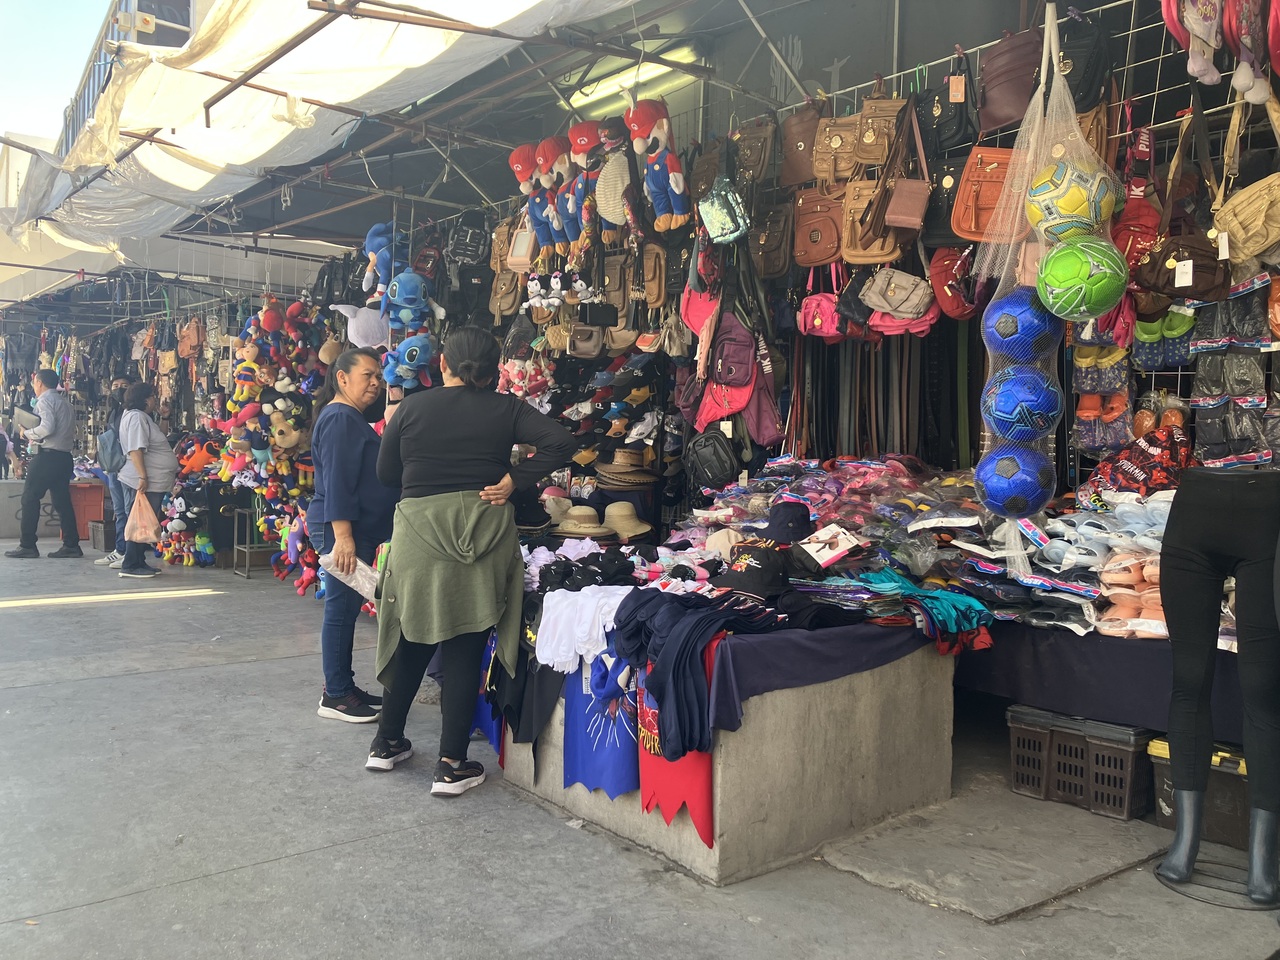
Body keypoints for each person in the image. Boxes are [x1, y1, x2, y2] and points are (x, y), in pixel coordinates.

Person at [369, 327, 575, 796]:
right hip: (483, 530)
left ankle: (386, 743)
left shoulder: (413, 407)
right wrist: (515, 479)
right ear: (493, 369)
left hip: (418, 536)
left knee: (411, 638)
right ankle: (451, 764)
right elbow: (561, 441)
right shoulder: (507, 408)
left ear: (442, 363)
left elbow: (386, 474)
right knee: (465, 644)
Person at [309, 347, 398, 723]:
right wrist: (343, 537)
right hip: (342, 530)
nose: (376, 383)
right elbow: (339, 481)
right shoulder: (341, 418)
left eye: (379, 376)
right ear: (342, 378)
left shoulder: (348, 417)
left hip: (351, 529)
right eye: (368, 375)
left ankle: (342, 685)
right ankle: (336, 695)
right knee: (341, 611)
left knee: (344, 610)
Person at [6, 369, 81, 560]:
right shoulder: (65, 403)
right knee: (62, 501)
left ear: (39, 383)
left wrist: (26, 433)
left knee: (29, 498)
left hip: (47, 456)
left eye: (34, 383)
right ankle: (71, 544)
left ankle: (27, 545)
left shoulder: (45, 401)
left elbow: (47, 428)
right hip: (64, 457)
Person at [116, 382, 180, 579]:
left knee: (144, 521)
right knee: (141, 521)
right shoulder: (136, 417)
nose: (154, 400)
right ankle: (131, 564)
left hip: (151, 480)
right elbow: (135, 449)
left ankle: (138, 561)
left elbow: (158, 440)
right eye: (152, 396)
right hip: (145, 480)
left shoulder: (141, 417)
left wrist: (164, 417)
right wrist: (143, 476)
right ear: (144, 399)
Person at [95, 375, 135, 570]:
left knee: (128, 510)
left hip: (128, 467)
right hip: (114, 466)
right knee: (119, 511)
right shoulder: (114, 412)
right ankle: (120, 549)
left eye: (124, 386)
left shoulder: (133, 412)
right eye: (116, 386)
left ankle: (129, 551)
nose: (119, 389)